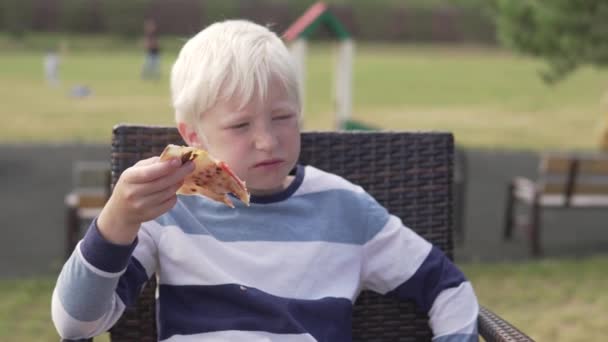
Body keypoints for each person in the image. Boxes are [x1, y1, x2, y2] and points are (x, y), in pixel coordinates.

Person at [52, 20, 479, 341]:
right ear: (193, 136)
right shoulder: (167, 210)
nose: (267, 141)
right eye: (240, 126)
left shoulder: (345, 208)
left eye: (282, 117)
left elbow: (448, 287)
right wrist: (117, 221)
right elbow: (76, 323)